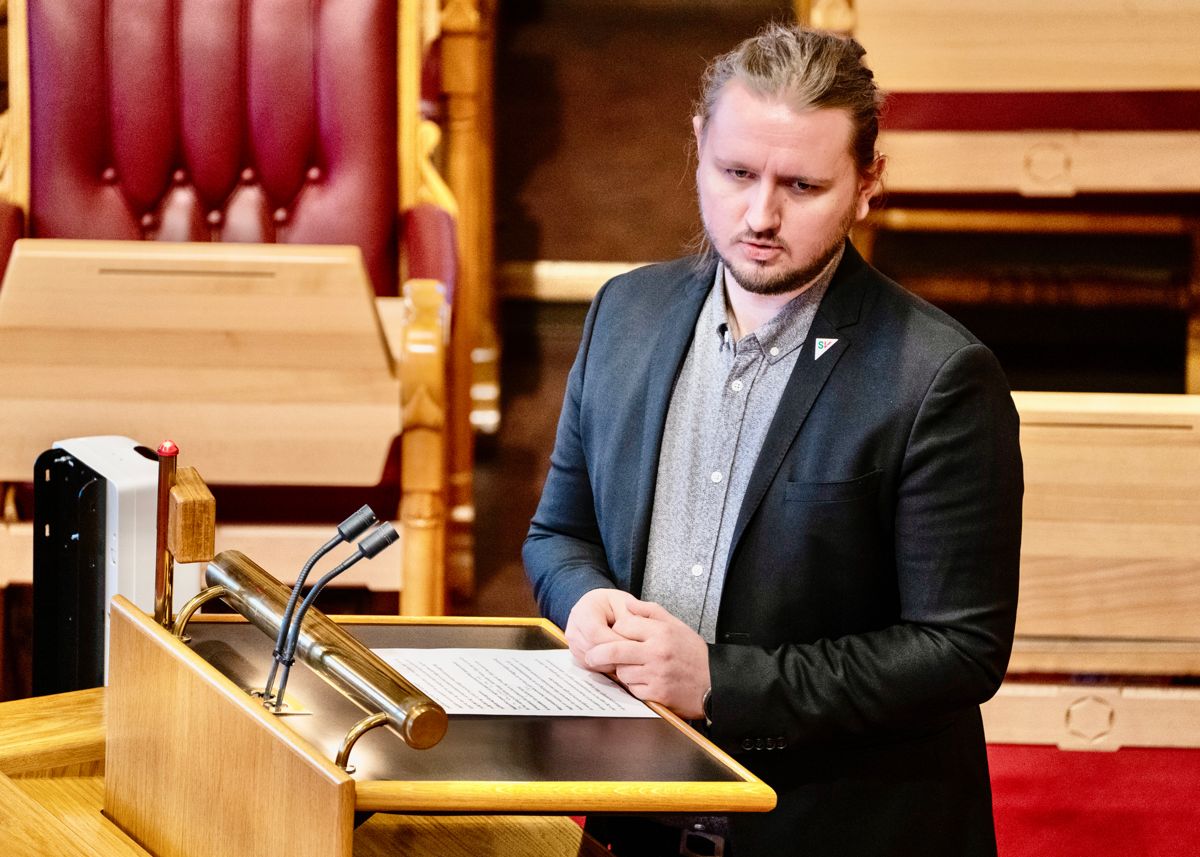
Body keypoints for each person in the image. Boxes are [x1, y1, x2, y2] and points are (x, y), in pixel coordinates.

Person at [524, 22, 1022, 857]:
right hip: (631, 822)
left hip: (839, 829)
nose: (760, 215)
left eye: (802, 184)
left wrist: (721, 682)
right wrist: (582, 602)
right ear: (697, 146)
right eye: (736, 173)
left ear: (868, 183)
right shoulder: (624, 314)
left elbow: (959, 648)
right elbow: (559, 535)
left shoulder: (940, 375)